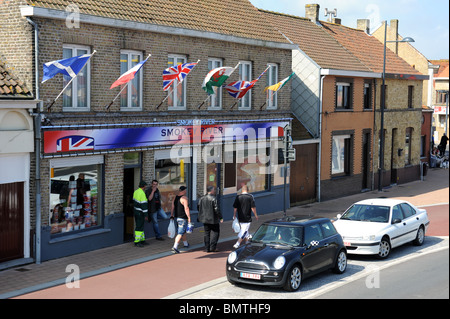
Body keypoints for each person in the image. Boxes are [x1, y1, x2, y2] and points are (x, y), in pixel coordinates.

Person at [198, 186, 223, 252]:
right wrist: (220, 217)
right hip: (213, 219)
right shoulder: (213, 199)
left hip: (205, 219)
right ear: (211, 191)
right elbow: (216, 209)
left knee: (206, 233)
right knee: (216, 232)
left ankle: (207, 248)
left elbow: (198, 207)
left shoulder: (202, 198)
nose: (214, 191)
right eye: (214, 190)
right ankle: (213, 247)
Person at [232, 185, 258, 249]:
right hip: (247, 217)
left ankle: (247, 243)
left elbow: (235, 208)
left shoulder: (238, 197)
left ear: (242, 190)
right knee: (244, 231)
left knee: (245, 229)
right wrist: (256, 215)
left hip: (240, 217)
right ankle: (237, 243)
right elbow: (253, 207)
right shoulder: (250, 197)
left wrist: (234, 215)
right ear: (247, 190)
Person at [170, 186, 191, 254]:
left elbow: (172, 207)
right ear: (184, 191)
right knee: (180, 233)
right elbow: (186, 208)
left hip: (177, 217)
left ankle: (185, 244)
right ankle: (175, 247)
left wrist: (172, 215)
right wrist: (189, 218)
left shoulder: (175, 197)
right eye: (185, 190)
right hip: (182, 218)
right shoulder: (184, 198)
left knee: (183, 231)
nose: (186, 191)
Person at [133, 181, 149, 247]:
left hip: (136, 211)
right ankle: (137, 241)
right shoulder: (142, 193)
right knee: (139, 227)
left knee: (141, 226)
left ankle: (142, 240)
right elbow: (144, 205)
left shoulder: (136, 192)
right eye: (145, 186)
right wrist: (146, 215)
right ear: (144, 186)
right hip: (140, 212)